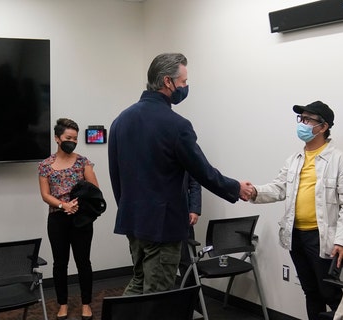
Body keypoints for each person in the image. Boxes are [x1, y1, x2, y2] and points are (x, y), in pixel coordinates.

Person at [108, 53, 252, 295]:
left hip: (132, 221)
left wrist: (128, 208)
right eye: (184, 82)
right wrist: (235, 187)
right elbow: (202, 171)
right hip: (162, 228)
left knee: (138, 284)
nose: (185, 87)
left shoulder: (120, 121)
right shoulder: (176, 125)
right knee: (158, 296)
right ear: (167, 81)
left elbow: (116, 177)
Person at [248, 101, 343, 320]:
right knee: (310, 291)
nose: (302, 123)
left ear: (324, 126)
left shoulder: (339, 160)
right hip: (295, 236)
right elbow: (279, 188)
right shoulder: (294, 160)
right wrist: (253, 191)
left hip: (323, 238)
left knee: (330, 292)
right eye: (301, 119)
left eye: (308, 119)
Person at [38, 118, 99, 320]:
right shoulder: (45, 165)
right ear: (57, 138)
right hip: (57, 218)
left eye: (74, 138)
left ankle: (86, 304)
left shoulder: (83, 162)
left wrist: (77, 205)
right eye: (68, 137)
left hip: (81, 219)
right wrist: (64, 205)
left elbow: (95, 191)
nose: (72, 141)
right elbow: (45, 195)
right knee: (60, 263)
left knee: (83, 262)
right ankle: (62, 304)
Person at [177, 173, 201, 287]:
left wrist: (194, 209)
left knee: (187, 260)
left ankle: (191, 302)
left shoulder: (186, 154)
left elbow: (195, 182)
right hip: (155, 215)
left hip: (182, 214)